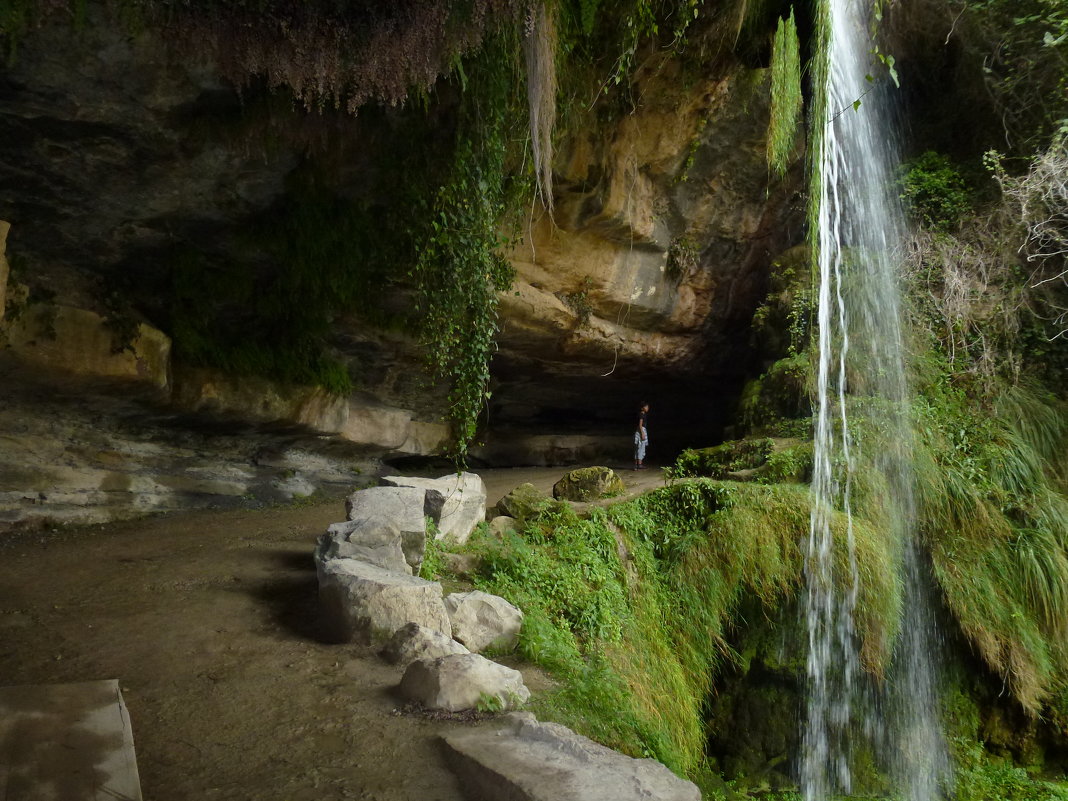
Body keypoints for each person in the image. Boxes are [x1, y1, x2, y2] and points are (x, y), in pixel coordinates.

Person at [634, 401, 650, 470]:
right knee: (641, 447)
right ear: (643, 408)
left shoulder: (641, 414)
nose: (648, 408)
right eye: (646, 407)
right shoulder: (642, 414)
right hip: (641, 430)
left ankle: (636, 465)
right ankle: (639, 464)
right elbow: (640, 425)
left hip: (640, 430)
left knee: (638, 447)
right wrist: (642, 433)